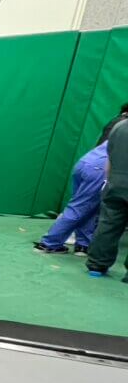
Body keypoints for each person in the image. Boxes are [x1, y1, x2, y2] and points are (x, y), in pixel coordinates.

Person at [34, 141, 108, 255]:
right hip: (100, 169)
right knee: (80, 207)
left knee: (90, 207)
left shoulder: (120, 127)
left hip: (86, 163)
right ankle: (49, 244)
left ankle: (83, 246)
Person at [86, 114, 128, 282]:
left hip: (115, 183)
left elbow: (109, 159)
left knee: (108, 224)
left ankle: (96, 266)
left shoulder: (120, 126)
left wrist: (110, 182)